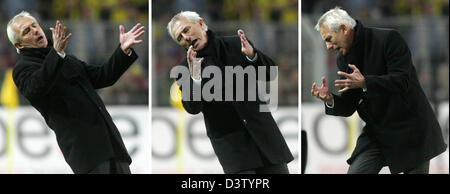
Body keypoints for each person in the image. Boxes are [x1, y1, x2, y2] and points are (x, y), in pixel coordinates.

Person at [311, 7, 447, 174]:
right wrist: (330, 99)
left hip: (411, 128)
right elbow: (349, 105)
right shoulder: (343, 59)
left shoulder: (388, 38)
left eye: (329, 39)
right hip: (378, 133)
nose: (328, 46)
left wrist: (366, 82)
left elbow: (403, 80)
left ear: (344, 29)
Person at [7, 11, 145, 174]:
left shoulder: (65, 58)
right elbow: (36, 88)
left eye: (34, 25)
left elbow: (102, 77)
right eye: (26, 31)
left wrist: (122, 51)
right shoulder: (23, 68)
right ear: (19, 45)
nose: (35, 30)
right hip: (86, 151)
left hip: (110, 145)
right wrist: (56, 54)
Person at [167, 11, 294, 174]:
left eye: (186, 30)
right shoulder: (185, 68)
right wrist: (195, 77)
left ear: (200, 23)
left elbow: (271, 74)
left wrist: (253, 56)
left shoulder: (236, 44)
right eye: (179, 38)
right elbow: (193, 108)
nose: (185, 38)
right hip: (233, 147)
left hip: (265, 136)